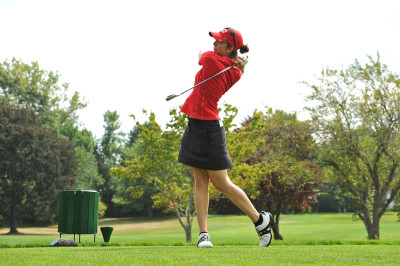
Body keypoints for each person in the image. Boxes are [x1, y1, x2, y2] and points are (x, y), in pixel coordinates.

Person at [178, 27, 272, 248]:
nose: (214, 44)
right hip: (195, 124)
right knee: (200, 181)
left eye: (219, 42)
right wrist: (237, 61)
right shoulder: (236, 70)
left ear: (230, 47)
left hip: (210, 129)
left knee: (221, 183)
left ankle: (260, 221)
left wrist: (234, 61)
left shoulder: (212, 61)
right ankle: (203, 235)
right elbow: (237, 69)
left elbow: (201, 53)